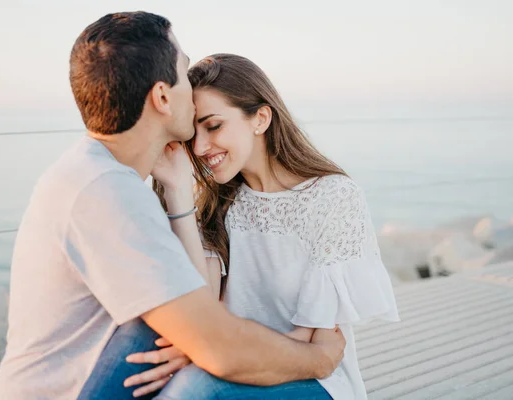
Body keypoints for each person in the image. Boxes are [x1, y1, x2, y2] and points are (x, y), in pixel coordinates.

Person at [0, 12, 345, 400]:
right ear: (162, 96)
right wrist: (321, 359)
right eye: (182, 71)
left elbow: (199, 306)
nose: (191, 94)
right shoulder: (106, 192)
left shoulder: (98, 175)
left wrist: (177, 190)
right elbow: (220, 348)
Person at [126, 54, 400, 399]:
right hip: (229, 363)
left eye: (213, 126)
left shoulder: (333, 197)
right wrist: (178, 191)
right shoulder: (215, 200)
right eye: (193, 132)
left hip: (309, 378)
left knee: (193, 390)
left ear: (260, 118)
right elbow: (203, 305)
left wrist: (213, 355)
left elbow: (311, 344)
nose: (199, 147)